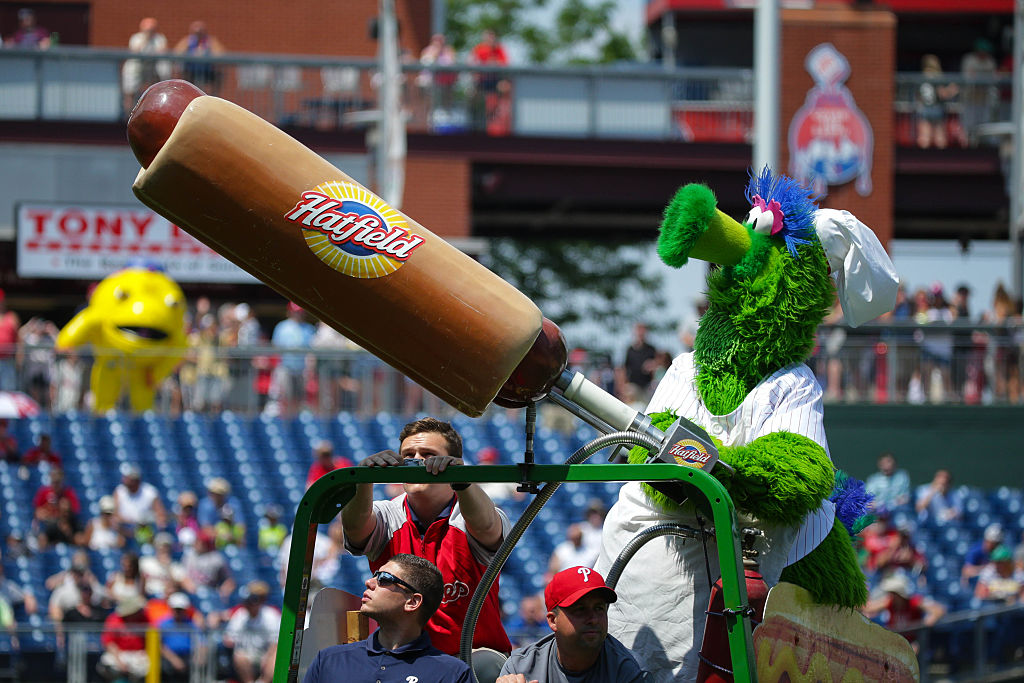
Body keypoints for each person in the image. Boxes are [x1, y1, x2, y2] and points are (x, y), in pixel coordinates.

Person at [342, 417, 513, 655]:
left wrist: (462, 481)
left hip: (473, 660)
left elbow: (486, 527)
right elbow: (355, 528)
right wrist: (363, 481)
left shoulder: (473, 513)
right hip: (403, 659)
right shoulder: (388, 514)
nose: (417, 461)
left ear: (452, 461)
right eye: (408, 455)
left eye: (428, 454)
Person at [302, 554, 471, 683]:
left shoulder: (452, 674)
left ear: (412, 602)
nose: (369, 582)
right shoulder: (328, 661)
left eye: (384, 579)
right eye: (375, 575)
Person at [497, 566, 646, 683]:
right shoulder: (521, 667)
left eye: (599, 608)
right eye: (580, 609)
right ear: (553, 620)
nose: (593, 619)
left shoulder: (629, 668)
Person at [862, 573, 944, 651]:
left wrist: (926, 623)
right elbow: (868, 608)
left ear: (900, 594)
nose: (892, 596)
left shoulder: (913, 602)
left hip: (912, 643)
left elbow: (939, 610)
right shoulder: (889, 602)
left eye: (894, 593)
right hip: (894, 643)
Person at [222, 580, 280, 683]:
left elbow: (276, 641)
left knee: (276, 656)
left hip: (266, 652)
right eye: (247, 602)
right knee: (239, 655)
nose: (250, 605)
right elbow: (229, 637)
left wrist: (267, 656)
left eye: (252, 601)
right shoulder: (240, 615)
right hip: (248, 654)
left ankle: (264, 681)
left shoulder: (270, 615)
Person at [269, 302, 315, 416]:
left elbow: (311, 352)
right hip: (285, 367)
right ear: (289, 312)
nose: (297, 315)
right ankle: (287, 423)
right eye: (295, 312)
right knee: (285, 397)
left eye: (299, 312)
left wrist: (310, 369)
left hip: (301, 369)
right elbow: (276, 348)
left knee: (300, 399)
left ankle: (295, 423)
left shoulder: (309, 329)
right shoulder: (282, 327)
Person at [97, 593, 151, 682]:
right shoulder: (114, 619)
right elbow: (109, 642)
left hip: (139, 654)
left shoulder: (144, 618)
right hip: (120, 654)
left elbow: (152, 639)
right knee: (106, 662)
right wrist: (120, 662)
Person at [121, 17, 170, 115]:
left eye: (152, 29)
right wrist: (146, 38)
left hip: (152, 68)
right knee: (130, 93)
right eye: (148, 29)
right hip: (136, 67)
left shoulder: (160, 38)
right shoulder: (136, 38)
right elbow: (135, 51)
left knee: (153, 92)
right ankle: (127, 116)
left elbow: (163, 51)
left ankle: (153, 113)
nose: (150, 31)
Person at [112, 463, 168, 545]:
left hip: (147, 529)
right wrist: (132, 522)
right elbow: (115, 515)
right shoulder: (119, 492)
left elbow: (161, 514)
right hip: (126, 530)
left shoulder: (150, 492)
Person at [157, 592, 203, 683]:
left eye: (180, 609)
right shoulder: (163, 624)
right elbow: (160, 645)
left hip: (188, 658)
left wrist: (199, 657)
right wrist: (174, 659)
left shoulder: (191, 625)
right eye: (175, 609)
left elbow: (201, 642)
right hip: (168, 659)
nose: (177, 612)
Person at [959, 38, 997, 146]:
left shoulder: (990, 61)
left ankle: (983, 146)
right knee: (969, 126)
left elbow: (993, 76)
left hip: (984, 99)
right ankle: (968, 147)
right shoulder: (969, 59)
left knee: (984, 125)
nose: (984, 53)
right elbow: (969, 76)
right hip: (970, 98)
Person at [915, 54, 957, 150]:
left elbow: (918, 96)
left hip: (924, 108)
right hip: (936, 108)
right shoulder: (936, 77)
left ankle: (922, 159)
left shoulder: (921, 77)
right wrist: (952, 90)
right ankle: (942, 160)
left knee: (924, 136)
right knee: (940, 136)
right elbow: (942, 93)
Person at [173, 21, 225, 94]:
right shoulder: (188, 41)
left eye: (200, 32)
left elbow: (219, 54)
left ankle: (212, 98)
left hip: (208, 72)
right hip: (191, 72)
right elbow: (177, 52)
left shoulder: (210, 41)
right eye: (196, 33)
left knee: (215, 80)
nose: (198, 35)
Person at [619, 323, 658, 401]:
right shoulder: (630, 350)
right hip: (633, 384)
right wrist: (623, 386)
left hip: (647, 385)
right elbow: (624, 369)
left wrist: (652, 366)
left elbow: (657, 367)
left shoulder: (651, 349)